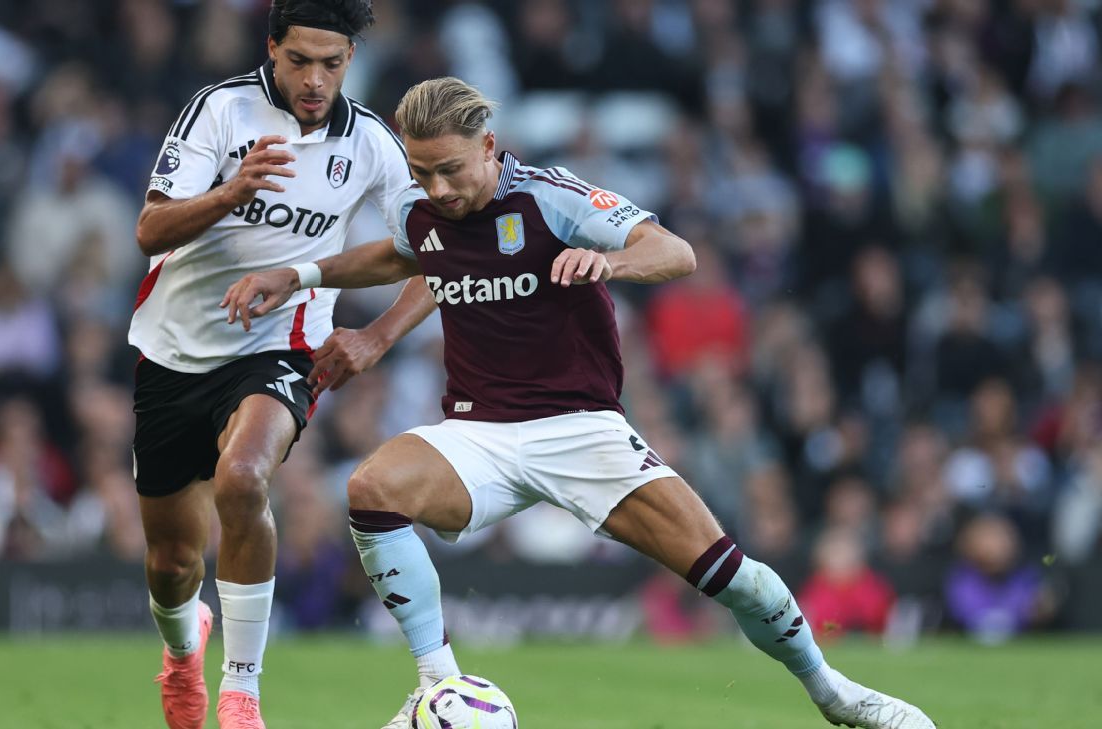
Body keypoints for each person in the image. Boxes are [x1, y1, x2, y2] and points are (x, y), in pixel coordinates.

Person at [226, 77, 937, 729]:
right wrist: (305, 275)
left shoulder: (548, 197)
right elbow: (408, 253)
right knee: (370, 488)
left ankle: (831, 690)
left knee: (730, 575)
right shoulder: (423, 207)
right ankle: (436, 685)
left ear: (489, 147)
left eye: (451, 168)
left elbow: (675, 251)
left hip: (581, 429)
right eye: (422, 172)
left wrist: (610, 261)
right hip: (480, 430)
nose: (437, 187)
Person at [128, 2, 433, 727]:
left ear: (350, 60)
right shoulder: (221, 112)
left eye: (331, 63)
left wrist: (378, 336)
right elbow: (149, 227)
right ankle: (181, 652)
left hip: (280, 344)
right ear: (272, 48)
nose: (315, 79)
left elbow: (435, 252)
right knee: (172, 565)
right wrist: (232, 191)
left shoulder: (371, 146)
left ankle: (242, 691)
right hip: (173, 351)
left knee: (242, 477)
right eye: (300, 61)